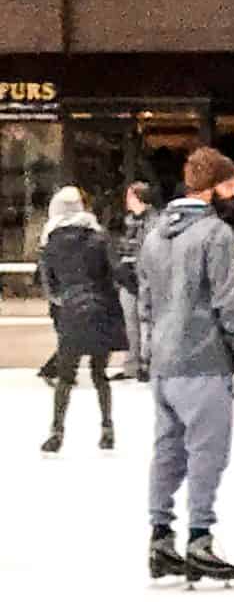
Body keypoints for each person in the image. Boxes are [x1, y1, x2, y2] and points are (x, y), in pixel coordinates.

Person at [136, 146, 234, 587]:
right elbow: (228, 299)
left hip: (165, 363)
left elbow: (146, 301)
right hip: (204, 359)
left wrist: (149, 353)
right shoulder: (215, 234)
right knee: (208, 452)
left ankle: (160, 537)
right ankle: (200, 538)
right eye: (231, 185)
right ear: (211, 188)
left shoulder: (153, 234)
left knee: (167, 451)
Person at [37, 185, 125, 454]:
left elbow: (48, 283)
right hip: (101, 310)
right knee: (100, 375)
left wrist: (63, 300)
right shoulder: (99, 237)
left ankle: (57, 432)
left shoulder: (50, 242)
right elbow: (117, 270)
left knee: (65, 376)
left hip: (72, 313)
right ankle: (107, 428)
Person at [110, 179, 157, 380]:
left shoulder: (154, 222)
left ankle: (148, 364)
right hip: (128, 279)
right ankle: (132, 365)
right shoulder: (127, 222)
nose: (127, 201)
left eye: (130, 196)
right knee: (130, 324)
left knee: (147, 323)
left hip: (147, 279)